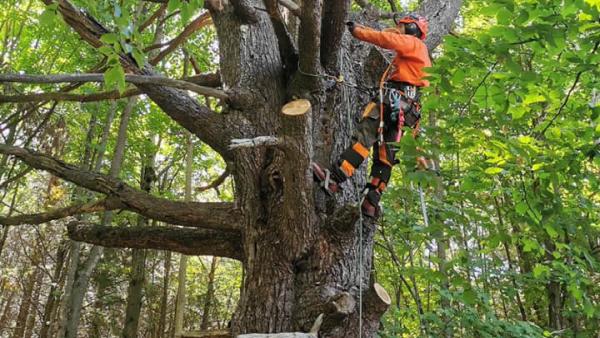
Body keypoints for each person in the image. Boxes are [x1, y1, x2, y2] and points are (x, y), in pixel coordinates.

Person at [312, 15, 432, 218]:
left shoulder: (412, 43)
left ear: (412, 29)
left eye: (403, 27)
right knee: (386, 156)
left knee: (364, 138)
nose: (398, 30)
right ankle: (371, 202)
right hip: (406, 110)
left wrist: (358, 32)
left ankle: (334, 179)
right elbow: (391, 35)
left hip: (391, 101)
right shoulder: (419, 53)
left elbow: (386, 39)